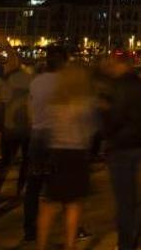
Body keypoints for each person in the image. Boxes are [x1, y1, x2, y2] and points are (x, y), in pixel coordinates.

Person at [101, 53, 141, 250]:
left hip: (121, 145)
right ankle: (131, 229)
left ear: (121, 66)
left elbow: (115, 117)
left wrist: (106, 135)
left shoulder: (118, 86)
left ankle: (125, 241)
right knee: (133, 191)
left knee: (124, 197)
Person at [37, 64, 97, 250]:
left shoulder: (53, 104)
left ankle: (41, 244)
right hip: (77, 156)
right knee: (73, 204)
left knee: (48, 204)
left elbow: (44, 130)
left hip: (56, 154)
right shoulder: (86, 105)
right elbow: (92, 132)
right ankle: (70, 245)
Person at [24, 46, 67, 244]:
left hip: (37, 134)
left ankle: (29, 228)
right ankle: (68, 229)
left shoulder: (36, 82)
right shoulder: (65, 84)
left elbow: (30, 108)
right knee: (61, 185)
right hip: (57, 137)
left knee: (33, 185)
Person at [0, 52, 34, 198]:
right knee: (26, 160)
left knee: (6, 160)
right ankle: (20, 189)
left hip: (10, 125)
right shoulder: (30, 78)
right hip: (27, 126)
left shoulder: (5, 81)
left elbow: (0, 104)